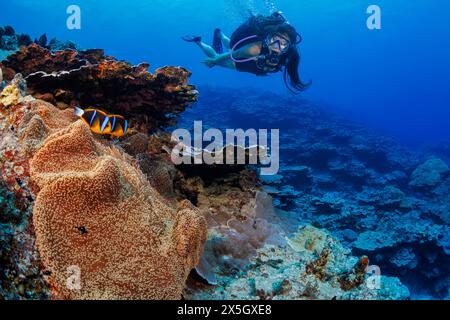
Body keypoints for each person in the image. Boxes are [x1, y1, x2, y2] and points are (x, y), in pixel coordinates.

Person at [183, 12, 310, 93]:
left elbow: (292, 74)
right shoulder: (255, 48)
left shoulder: (291, 55)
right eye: (274, 40)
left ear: (289, 46)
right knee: (219, 58)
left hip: (256, 67)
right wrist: (214, 61)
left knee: (233, 49)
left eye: (283, 44)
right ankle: (199, 42)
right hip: (248, 63)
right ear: (268, 38)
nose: (277, 46)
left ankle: (220, 35)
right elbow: (233, 55)